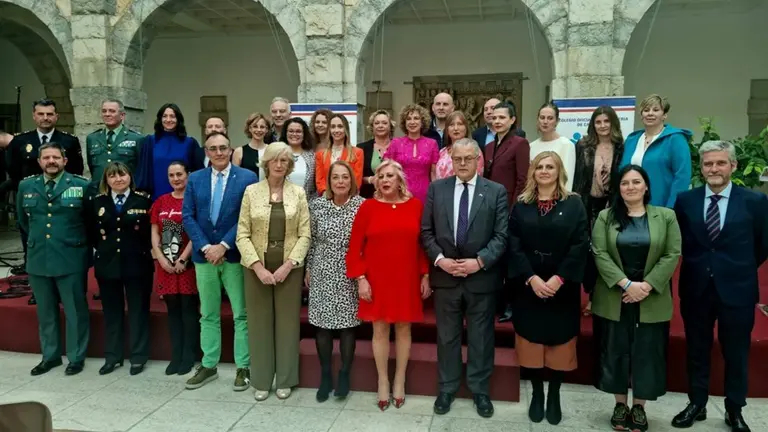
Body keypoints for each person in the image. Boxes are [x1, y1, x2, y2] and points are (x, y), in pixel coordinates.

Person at [672, 140, 768, 432]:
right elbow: (682, 242)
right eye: (708, 164)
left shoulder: (755, 201)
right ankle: (697, 403)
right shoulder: (685, 201)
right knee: (697, 349)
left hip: (737, 290)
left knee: (736, 352)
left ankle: (734, 409)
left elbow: (762, 245)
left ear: (733, 166)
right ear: (701, 168)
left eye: (720, 163)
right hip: (696, 288)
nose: (714, 168)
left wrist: (736, 269)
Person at [420, 138, 508, 418]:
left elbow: (501, 235)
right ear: (451, 160)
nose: (462, 164)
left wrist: (479, 262)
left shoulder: (495, 192)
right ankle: (447, 388)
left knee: (481, 337)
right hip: (445, 277)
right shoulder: (437, 189)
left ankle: (480, 390)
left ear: (478, 160)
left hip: (481, 278)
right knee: (447, 337)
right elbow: (426, 232)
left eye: (468, 159)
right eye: (457, 159)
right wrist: (441, 261)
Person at [591, 164, 681, 432]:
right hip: (614, 294)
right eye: (625, 183)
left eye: (636, 182)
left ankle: (639, 407)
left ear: (646, 186)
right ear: (618, 189)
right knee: (614, 351)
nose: (630, 187)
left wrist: (646, 286)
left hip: (651, 297)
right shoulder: (606, 216)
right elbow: (599, 252)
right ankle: (620, 404)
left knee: (646, 353)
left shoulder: (665, 216)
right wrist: (627, 284)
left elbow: (672, 254)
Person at [506, 151, 588, 425]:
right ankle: (538, 393)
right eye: (539, 166)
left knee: (560, 343)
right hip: (529, 285)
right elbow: (513, 245)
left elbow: (580, 244)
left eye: (549, 166)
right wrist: (531, 278)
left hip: (561, 287)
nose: (544, 171)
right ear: (532, 172)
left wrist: (558, 279)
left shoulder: (574, 204)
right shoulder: (521, 205)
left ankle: (554, 393)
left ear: (559, 171)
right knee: (531, 341)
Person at [346, 159, 431, 410]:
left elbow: (422, 246)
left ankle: (399, 381)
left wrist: (426, 275)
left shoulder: (415, 206)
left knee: (404, 329)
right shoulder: (368, 208)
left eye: (390, 176)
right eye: (380, 176)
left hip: (406, 278)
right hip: (376, 279)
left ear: (400, 180)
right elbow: (354, 250)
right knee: (380, 330)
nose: (385, 180)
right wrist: (361, 279)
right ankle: (383, 381)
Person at [182, 131, 258, 391]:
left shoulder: (247, 177)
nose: (218, 152)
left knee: (241, 314)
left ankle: (243, 367)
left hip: (234, 255)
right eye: (213, 148)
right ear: (206, 151)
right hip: (204, 258)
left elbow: (247, 217)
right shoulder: (195, 179)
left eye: (223, 147)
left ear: (230, 149)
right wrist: (206, 247)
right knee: (208, 314)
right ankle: (209, 364)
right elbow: (188, 216)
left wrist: (224, 245)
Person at [236, 141, 311, 401]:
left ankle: (286, 379)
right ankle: (261, 379)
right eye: (275, 160)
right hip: (256, 265)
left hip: (289, 267)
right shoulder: (250, 192)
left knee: (288, 324)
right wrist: (257, 267)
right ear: (265, 163)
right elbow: (242, 234)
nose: (280, 165)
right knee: (259, 323)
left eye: (285, 161)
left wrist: (289, 265)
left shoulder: (298, 193)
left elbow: (305, 235)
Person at [17, 142, 90, 376]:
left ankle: (76, 357)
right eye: (46, 158)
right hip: (39, 257)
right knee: (45, 312)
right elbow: (23, 221)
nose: (51, 161)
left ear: (64, 161)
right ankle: (50, 356)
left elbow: (90, 222)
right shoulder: (26, 186)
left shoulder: (81, 186)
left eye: (56, 157)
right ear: (39, 162)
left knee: (75, 311)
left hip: (70, 257)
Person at [87, 162, 154, 376]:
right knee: (112, 313)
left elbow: (149, 235)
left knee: (138, 312)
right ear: (106, 180)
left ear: (130, 177)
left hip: (137, 264)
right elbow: (92, 234)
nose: (118, 179)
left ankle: (138, 356)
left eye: (122, 174)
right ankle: (112, 356)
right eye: (113, 176)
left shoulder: (143, 201)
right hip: (108, 265)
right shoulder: (97, 202)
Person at [306, 161, 365, 402]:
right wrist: (308, 267)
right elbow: (310, 239)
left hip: (350, 272)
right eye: (336, 178)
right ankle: (326, 376)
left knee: (347, 326)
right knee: (322, 326)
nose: (340, 182)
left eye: (345, 177)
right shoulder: (317, 205)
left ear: (352, 181)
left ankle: (344, 375)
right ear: (329, 182)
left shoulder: (362, 206)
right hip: (321, 269)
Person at [6, 98, 84, 281]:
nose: (45, 118)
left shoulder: (69, 141)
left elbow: (76, 171)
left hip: (63, 201)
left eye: (49, 114)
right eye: (41, 114)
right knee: (31, 242)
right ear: (34, 116)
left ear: (56, 116)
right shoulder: (20, 141)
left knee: (62, 241)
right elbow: (13, 170)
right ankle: (36, 284)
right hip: (32, 200)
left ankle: (63, 280)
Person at [572, 106, 625, 315]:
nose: (602, 126)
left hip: (611, 204)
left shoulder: (621, 146)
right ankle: (589, 293)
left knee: (607, 249)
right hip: (586, 203)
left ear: (613, 123)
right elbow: (577, 175)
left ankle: (602, 296)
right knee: (586, 251)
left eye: (606, 121)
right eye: (598, 122)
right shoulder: (583, 145)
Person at [484, 101, 530, 323]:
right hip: (489, 207)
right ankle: (498, 301)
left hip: (510, 208)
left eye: (502, 117)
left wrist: (513, 210)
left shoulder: (519, 143)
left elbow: (523, 180)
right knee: (495, 257)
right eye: (494, 117)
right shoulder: (489, 145)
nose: (497, 121)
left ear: (512, 120)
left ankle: (512, 304)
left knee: (510, 256)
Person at [150, 161, 198, 376]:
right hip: (165, 265)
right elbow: (154, 233)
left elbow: (197, 232)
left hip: (186, 265)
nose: (176, 178)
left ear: (188, 175)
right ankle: (175, 355)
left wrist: (183, 259)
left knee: (188, 311)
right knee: (173, 312)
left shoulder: (193, 200)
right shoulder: (161, 202)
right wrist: (160, 258)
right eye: (172, 175)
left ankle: (189, 356)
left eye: (180, 174)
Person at [620, 94, 691, 208]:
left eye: (656, 110)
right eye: (646, 110)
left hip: (661, 206)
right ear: (641, 115)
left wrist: (671, 208)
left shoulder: (675, 139)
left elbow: (682, 176)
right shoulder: (632, 140)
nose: (650, 113)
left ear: (664, 115)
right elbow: (622, 173)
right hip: (630, 207)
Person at [135, 103, 201, 200]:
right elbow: (144, 172)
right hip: (156, 196)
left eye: (172, 116)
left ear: (178, 119)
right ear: (160, 119)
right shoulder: (150, 142)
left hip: (184, 198)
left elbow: (197, 174)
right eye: (165, 116)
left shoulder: (190, 143)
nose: (168, 120)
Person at [384, 104, 439, 203]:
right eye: (408, 119)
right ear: (404, 123)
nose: (412, 122)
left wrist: (436, 196)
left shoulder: (432, 144)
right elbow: (387, 171)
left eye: (416, 118)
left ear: (422, 122)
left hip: (425, 196)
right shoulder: (396, 143)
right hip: (400, 195)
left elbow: (433, 174)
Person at [86, 99, 143, 187]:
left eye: (112, 111)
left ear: (122, 115)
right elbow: (92, 167)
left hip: (125, 190)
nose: (107, 114)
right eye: (104, 111)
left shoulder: (136, 139)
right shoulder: (92, 138)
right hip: (99, 191)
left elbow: (140, 169)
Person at [529, 103, 576, 191]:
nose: (545, 121)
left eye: (550, 118)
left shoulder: (566, 145)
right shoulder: (531, 146)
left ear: (557, 121)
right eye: (542, 117)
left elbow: (567, 180)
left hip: (559, 198)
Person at [315, 114, 363, 195]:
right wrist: (327, 194)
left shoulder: (357, 152)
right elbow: (320, 180)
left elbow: (356, 180)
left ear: (346, 129)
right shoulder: (320, 154)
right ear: (329, 130)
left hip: (349, 198)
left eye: (340, 126)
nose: (336, 130)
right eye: (333, 127)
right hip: (327, 199)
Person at [435, 111, 484, 180]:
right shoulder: (442, 152)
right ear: (447, 129)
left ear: (466, 128)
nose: (456, 128)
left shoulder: (474, 150)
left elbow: (477, 178)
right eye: (451, 125)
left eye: (460, 124)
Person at [357, 110, 393, 198]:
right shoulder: (361, 148)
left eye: (384, 123)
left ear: (390, 126)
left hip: (394, 197)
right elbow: (355, 176)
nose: (380, 126)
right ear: (372, 127)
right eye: (377, 123)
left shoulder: (399, 146)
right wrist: (370, 180)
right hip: (368, 196)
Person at [232, 113, 269, 179]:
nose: (259, 130)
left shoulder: (271, 150)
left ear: (266, 130)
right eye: (255, 126)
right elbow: (234, 177)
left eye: (262, 127)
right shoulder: (239, 151)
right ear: (250, 128)